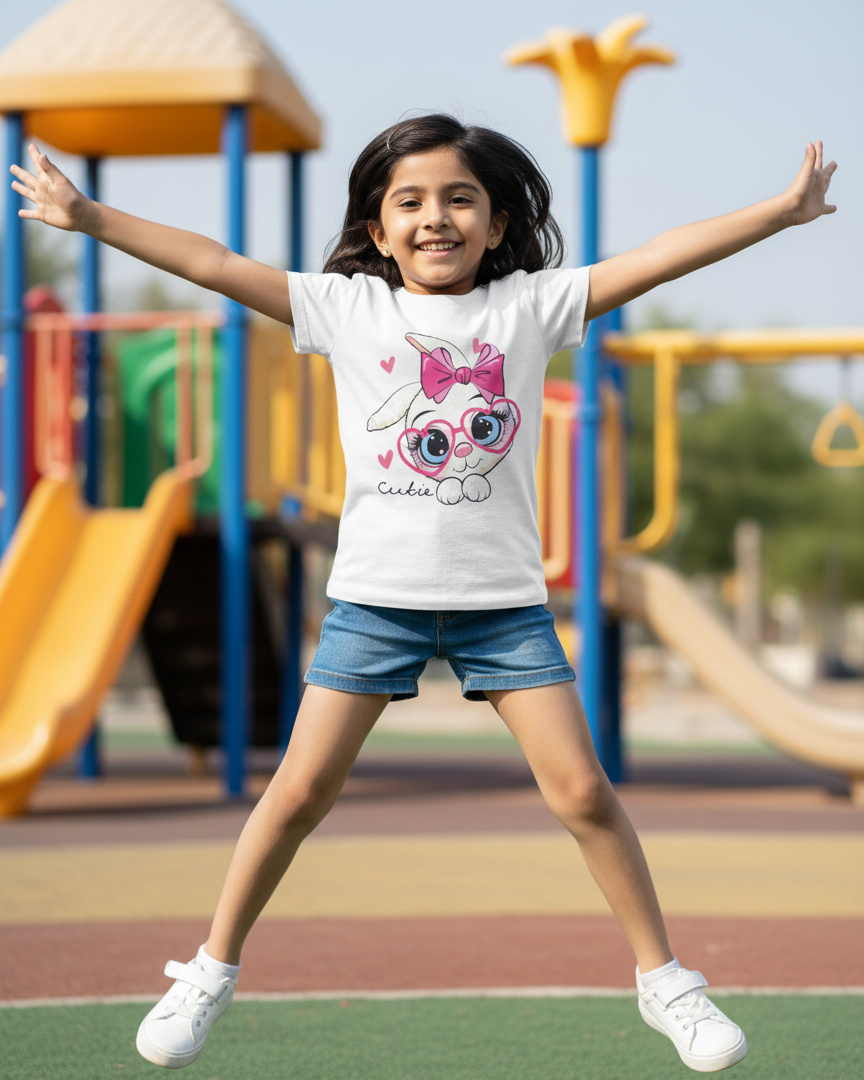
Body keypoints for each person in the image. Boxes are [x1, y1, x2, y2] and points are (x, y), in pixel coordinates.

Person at [11, 114, 836, 1073]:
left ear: (494, 223)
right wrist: (88, 215)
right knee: (297, 794)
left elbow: (656, 257)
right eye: (410, 201)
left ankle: (667, 985)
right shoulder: (345, 309)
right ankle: (208, 970)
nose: (434, 218)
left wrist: (779, 213)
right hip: (375, 602)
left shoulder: (530, 307)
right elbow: (212, 260)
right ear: (376, 223)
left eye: (459, 199)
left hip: (504, 607)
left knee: (582, 792)